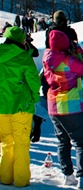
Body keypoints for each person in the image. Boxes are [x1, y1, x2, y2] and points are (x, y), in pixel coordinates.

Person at [43, 30, 83, 189]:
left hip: (53, 106)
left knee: (62, 143)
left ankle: (68, 176)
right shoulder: (68, 61)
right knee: (80, 143)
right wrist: (78, 51)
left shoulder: (47, 60)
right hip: (72, 106)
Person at [0, 26, 40, 188]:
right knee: (21, 144)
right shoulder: (23, 57)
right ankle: (21, 180)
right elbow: (33, 81)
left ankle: (5, 177)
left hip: (1, 108)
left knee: (6, 143)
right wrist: (34, 98)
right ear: (19, 41)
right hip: (21, 107)